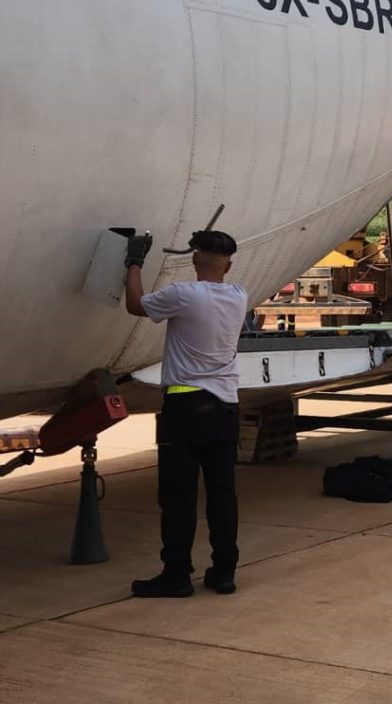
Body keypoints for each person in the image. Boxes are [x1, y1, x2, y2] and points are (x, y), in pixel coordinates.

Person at [123, 229, 249, 597]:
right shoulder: (238, 295)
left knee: (179, 496)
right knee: (222, 493)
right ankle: (224, 572)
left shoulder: (184, 295)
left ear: (194, 258)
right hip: (225, 407)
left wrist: (134, 262)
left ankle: (176, 575)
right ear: (229, 266)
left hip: (185, 408)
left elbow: (136, 305)